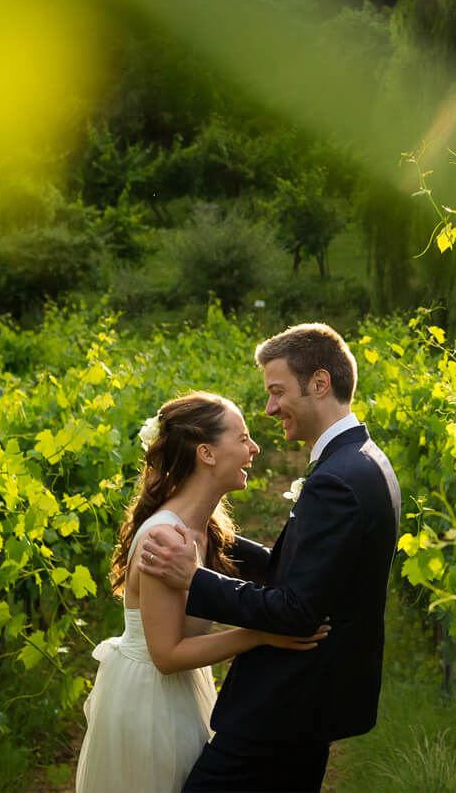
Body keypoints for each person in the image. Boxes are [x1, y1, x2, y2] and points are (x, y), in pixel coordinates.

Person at [141, 322, 402, 793]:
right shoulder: (363, 459)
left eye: (277, 391)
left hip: (284, 708)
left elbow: (297, 610)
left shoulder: (337, 478)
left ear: (319, 383)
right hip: (310, 705)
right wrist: (208, 534)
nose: (269, 408)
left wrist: (193, 577)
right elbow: (313, 565)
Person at [75, 392, 328, 793]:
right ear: (207, 453)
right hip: (149, 703)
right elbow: (166, 655)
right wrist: (261, 635)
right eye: (242, 438)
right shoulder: (164, 537)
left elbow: (271, 570)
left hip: (181, 694)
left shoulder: (205, 530)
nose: (254, 448)